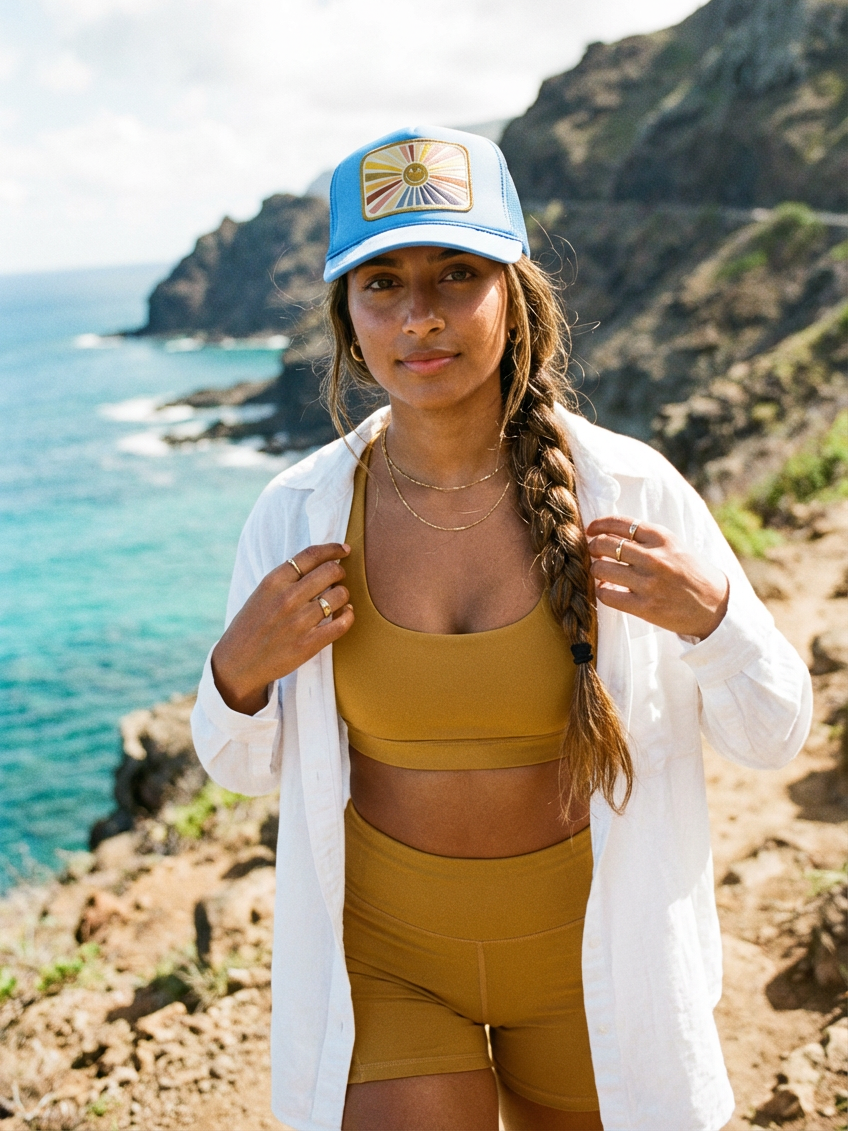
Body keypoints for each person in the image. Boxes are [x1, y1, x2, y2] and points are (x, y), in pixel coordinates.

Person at [191, 126, 811, 1131]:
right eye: (381, 284)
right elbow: (237, 766)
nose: (419, 315)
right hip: (387, 964)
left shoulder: (630, 490)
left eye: (455, 274)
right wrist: (235, 675)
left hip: (595, 959)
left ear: (512, 294)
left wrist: (715, 621)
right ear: (348, 320)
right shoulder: (297, 514)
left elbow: (773, 733)